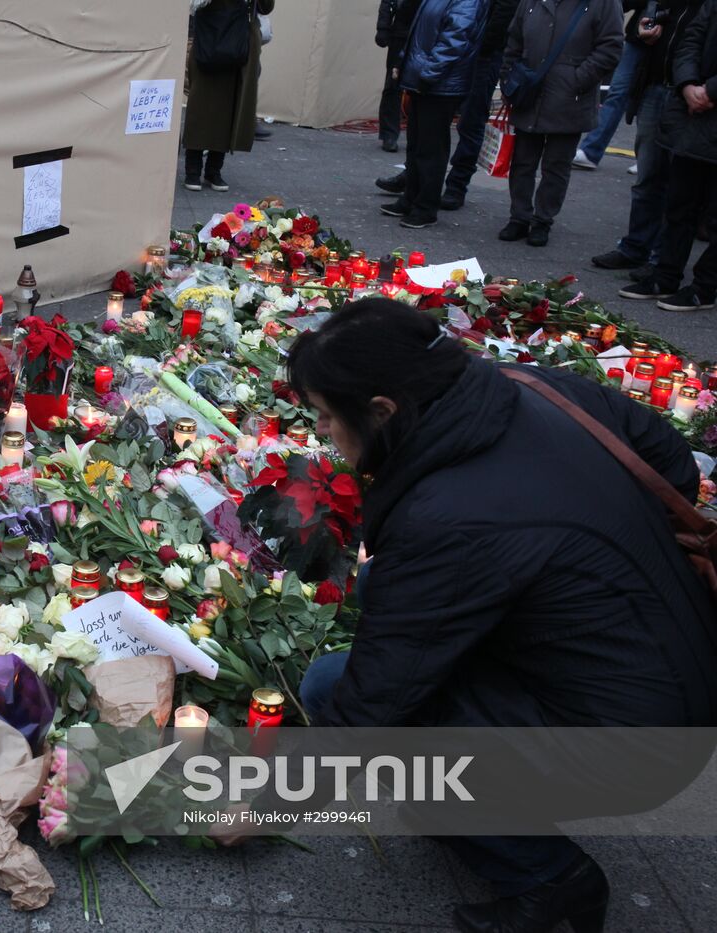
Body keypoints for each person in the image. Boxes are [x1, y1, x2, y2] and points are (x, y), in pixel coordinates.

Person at [289, 298, 717, 933]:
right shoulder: (534, 385)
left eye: (327, 418)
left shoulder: (447, 518)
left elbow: (376, 701)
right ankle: (473, 801)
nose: (324, 434)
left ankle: (550, 880)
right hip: (680, 661)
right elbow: (673, 466)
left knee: (335, 688)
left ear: (382, 411)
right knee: (387, 593)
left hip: (635, 741)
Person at [497, 0, 623, 247]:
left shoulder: (604, 3)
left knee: (556, 165)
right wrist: (508, 76)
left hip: (569, 98)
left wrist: (577, 79)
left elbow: (610, 47)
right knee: (522, 160)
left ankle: (542, 220)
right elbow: (514, 39)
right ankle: (519, 217)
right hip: (530, 92)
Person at [593, 0, 702, 279]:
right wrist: (646, 25)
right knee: (648, 177)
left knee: (680, 185)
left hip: (690, 92)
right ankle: (636, 247)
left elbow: (697, 39)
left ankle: (661, 261)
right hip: (656, 83)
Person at [619, 0, 717, 311]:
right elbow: (691, 39)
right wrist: (688, 83)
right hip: (693, 112)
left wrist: (710, 91)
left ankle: (705, 287)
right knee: (680, 203)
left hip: (707, 102)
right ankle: (665, 275)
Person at [380, 0, 489, 228]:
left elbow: (456, 38)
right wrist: (403, 62)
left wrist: (427, 72)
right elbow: (417, 32)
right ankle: (410, 199)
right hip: (424, 78)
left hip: (441, 84)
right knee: (416, 144)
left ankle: (425, 207)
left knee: (431, 149)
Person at [184, 0, 276, 192]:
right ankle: (192, 169)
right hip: (210, 36)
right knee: (201, 105)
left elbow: (266, 7)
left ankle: (214, 170)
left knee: (230, 105)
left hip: (240, 39)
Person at [572, 4, 648, 169]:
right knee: (617, 92)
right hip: (638, 37)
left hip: (667, 41)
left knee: (651, 100)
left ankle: (647, 159)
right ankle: (590, 152)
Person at [376, 0, 424, 152]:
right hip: (402, 31)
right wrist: (383, 27)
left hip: (424, 32)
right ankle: (389, 134)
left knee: (422, 86)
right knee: (393, 85)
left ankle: (419, 136)